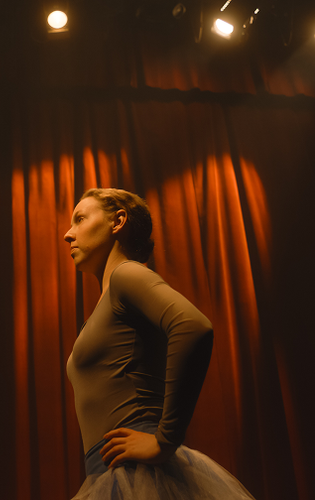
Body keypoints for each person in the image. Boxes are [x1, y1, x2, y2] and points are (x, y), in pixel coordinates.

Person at [63, 188, 254, 499]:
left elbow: (193, 326)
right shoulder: (106, 303)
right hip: (108, 473)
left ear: (118, 221)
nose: (68, 234)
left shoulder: (126, 275)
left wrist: (165, 440)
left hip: (138, 473)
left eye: (80, 219)